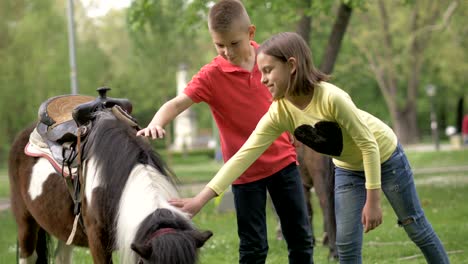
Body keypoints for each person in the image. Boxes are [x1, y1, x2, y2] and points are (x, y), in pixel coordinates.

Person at [170, 32, 450, 264]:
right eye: (260, 72)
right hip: (347, 169)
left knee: (415, 227)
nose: (263, 79)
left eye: (268, 71)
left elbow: (368, 145)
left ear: (291, 65)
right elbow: (243, 156)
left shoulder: (332, 98)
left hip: (386, 158)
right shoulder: (279, 112)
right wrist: (200, 199)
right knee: (346, 246)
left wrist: (373, 200)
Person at [137, 1, 313, 263]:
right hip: (243, 173)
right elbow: (177, 103)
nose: (227, 52)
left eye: (234, 43)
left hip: (283, 162)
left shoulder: (270, 61)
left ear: (251, 33)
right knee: (253, 247)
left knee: (300, 238)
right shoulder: (211, 75)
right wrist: (156, 122)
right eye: (219, 45)